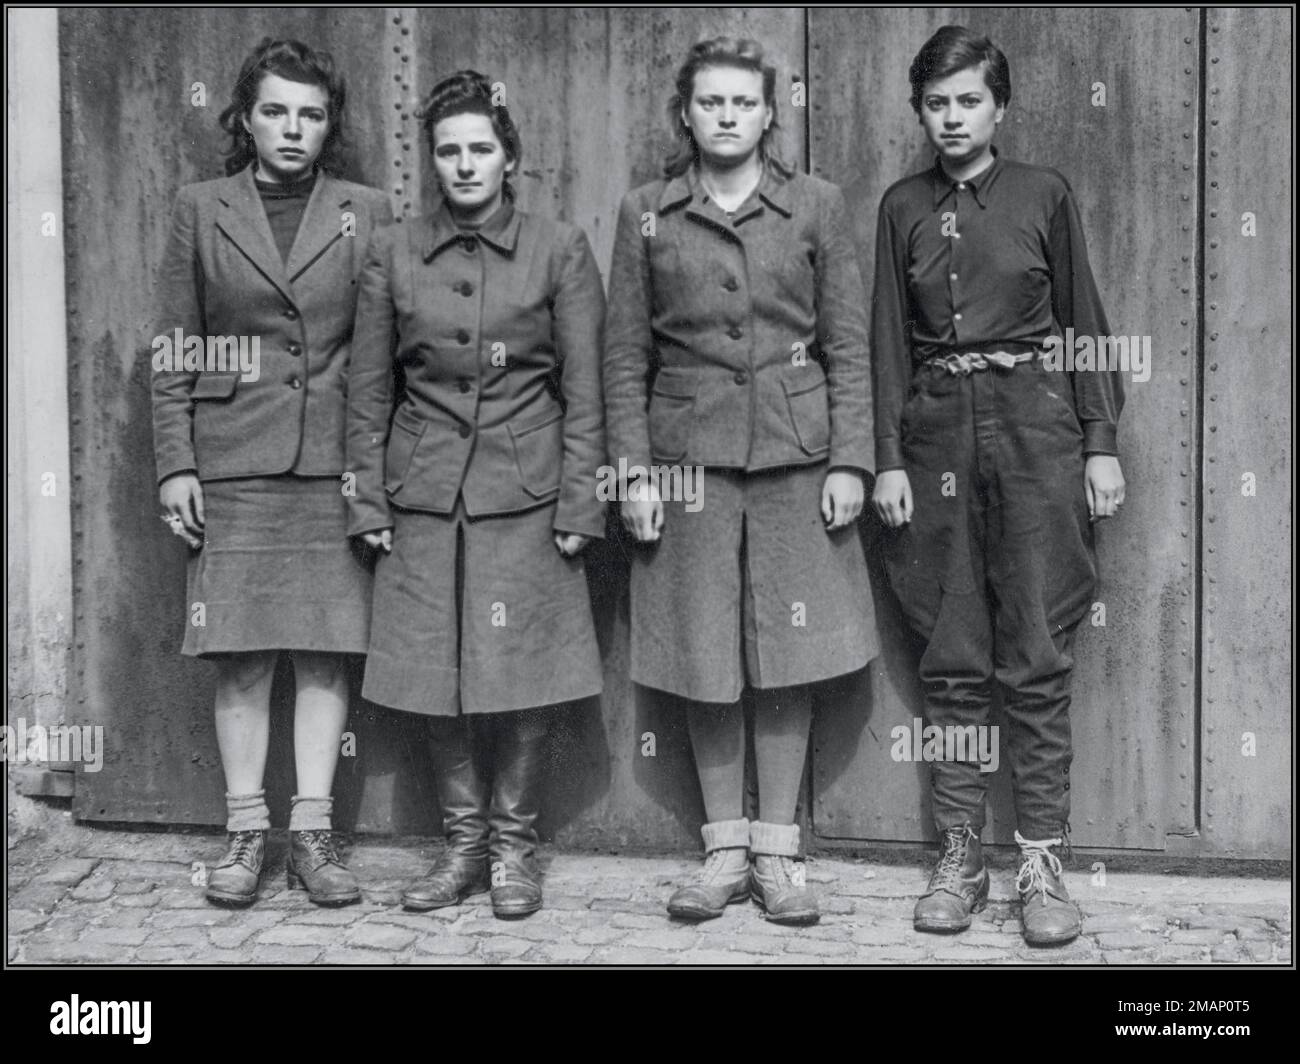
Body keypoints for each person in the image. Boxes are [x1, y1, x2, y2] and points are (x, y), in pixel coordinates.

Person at [604, 37, 878, 926]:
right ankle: (723, 848)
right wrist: (632, 473)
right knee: (703, 650)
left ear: (770, 113)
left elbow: (847, 342)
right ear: (685, 114)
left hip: (798, 459)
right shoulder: (647, 211)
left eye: (743, 102)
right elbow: (622, 356)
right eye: (710, 102)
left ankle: (778, 853)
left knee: (788, 655)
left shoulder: (816, 206)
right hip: (688, 464)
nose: (726, 116)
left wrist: (851, 459)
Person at [871, 25, 1126, 945]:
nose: (952, 118)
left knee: (1035, 656)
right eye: (936, 103)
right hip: (937, 437)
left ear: (1000, 107)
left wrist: (1099, 441)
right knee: (951, 658)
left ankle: (1043, 866)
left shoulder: (1042, 195)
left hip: (1035, 433)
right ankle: (961, 859)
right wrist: (889, 460)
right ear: (921, 111)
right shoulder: (901, 206)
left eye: (968, 101)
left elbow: (1086, 319)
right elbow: (885, 344)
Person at [345, 71, 606, 920]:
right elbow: (367, 388)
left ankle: (515, 852)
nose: (464, 166)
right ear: (432, 160)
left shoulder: (559, 248)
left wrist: (579, 504)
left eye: (480, 150)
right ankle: (462, 848)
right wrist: (368, 502)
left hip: (525, 493)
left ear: (509, 158)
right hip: (422, 494)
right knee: (436, 675)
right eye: (448, 151)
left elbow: (588, 389)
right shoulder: (393, 249)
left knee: (522, 676)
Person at [152, 38, 392, 907]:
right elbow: (174, 342)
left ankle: (315, 837)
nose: (293, 129)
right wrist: (177, 463)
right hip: (235, 461)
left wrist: (375, 472)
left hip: (333, 465)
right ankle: (248, 833)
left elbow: (384, 353)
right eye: (276, 111)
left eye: (311, 114)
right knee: (241, 659)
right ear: (245, 118)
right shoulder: (201, 207)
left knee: (329, 655)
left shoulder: (367, 210)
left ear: (331, 126)